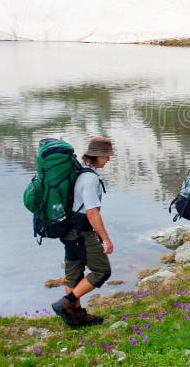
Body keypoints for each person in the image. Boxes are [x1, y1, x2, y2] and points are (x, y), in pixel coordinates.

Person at [51, 136, 114, 328]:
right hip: (80, 232)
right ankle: (66, 303)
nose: (108, 160)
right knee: (102, 270)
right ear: (99, 156)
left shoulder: (78, 171)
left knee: (73, 273)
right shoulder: (89, 179)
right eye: (107, 156)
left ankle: (75, 315)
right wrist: (105, 239)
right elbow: (92, 212)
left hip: (68, 229)